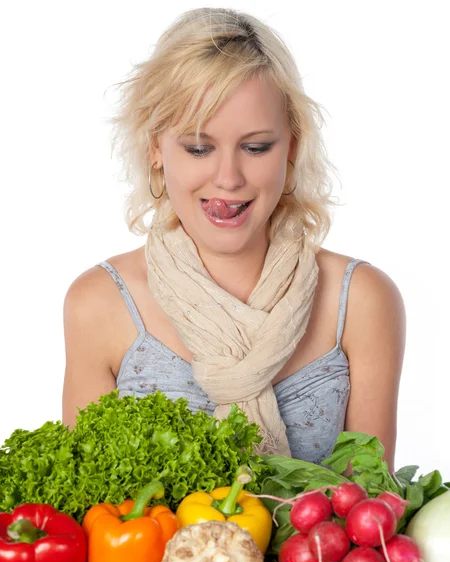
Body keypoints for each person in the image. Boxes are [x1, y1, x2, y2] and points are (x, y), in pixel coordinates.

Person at [62, 7, 405, 469]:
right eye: (199, 148)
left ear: (292, 149)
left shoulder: (361, 300)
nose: (228, 178)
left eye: (256, 147)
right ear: (155, 149)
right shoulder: (99, 304)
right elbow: (90, 517)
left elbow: (368, 514)